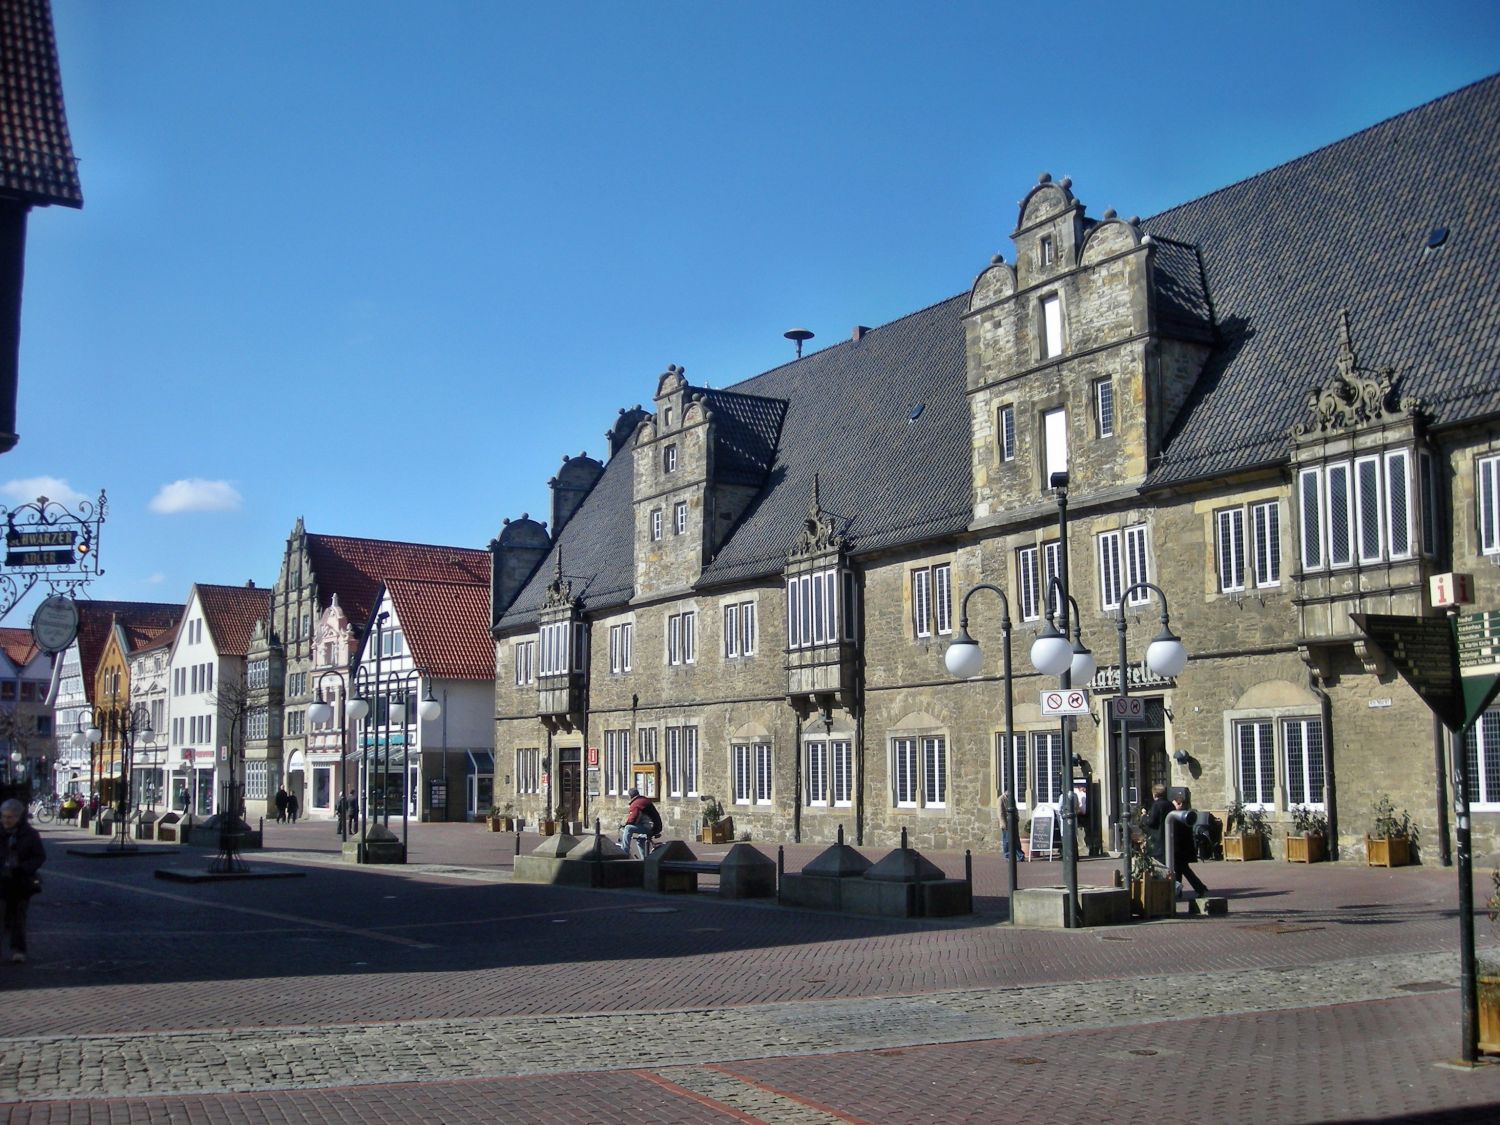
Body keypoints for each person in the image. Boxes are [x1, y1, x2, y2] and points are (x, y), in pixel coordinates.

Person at [0, 798, 45, 964]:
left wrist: (24, 867)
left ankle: (18, 950)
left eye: (10, 817)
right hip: (2, 881)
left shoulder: (30, 834)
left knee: (19, 917)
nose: (6, 820)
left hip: (21, 882)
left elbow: (39, 856)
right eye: (4, 816)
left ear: (19, 817)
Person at [1168, 792, 1209, 899]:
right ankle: (1179, 891)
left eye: (1175, 805)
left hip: (1179, 849)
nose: (1173, 807)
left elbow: (1177, 835)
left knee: (1184, 870)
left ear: (1180, 804)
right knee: (1180, 870)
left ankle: (1200, 888)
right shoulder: (1186, 816)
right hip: (1183, 849)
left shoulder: (1180, 817)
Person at [619, 787, 661, 858]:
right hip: (656, 826)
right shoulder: (642, 800)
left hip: (650, 827)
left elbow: (633, 818)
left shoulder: (636, 803)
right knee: (640, 840)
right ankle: (644, 860)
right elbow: (639, 817)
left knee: (628, 828)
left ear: (630, 796)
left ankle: (624, 852)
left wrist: (625, 825)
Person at [1142, 783, 1171, 863]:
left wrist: (1144, 816)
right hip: (1168, 838)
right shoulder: (1170, 804)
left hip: (1157, 840)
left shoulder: (1157, 805)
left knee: (1158, 865)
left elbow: (1151, 821)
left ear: (1154, 794)